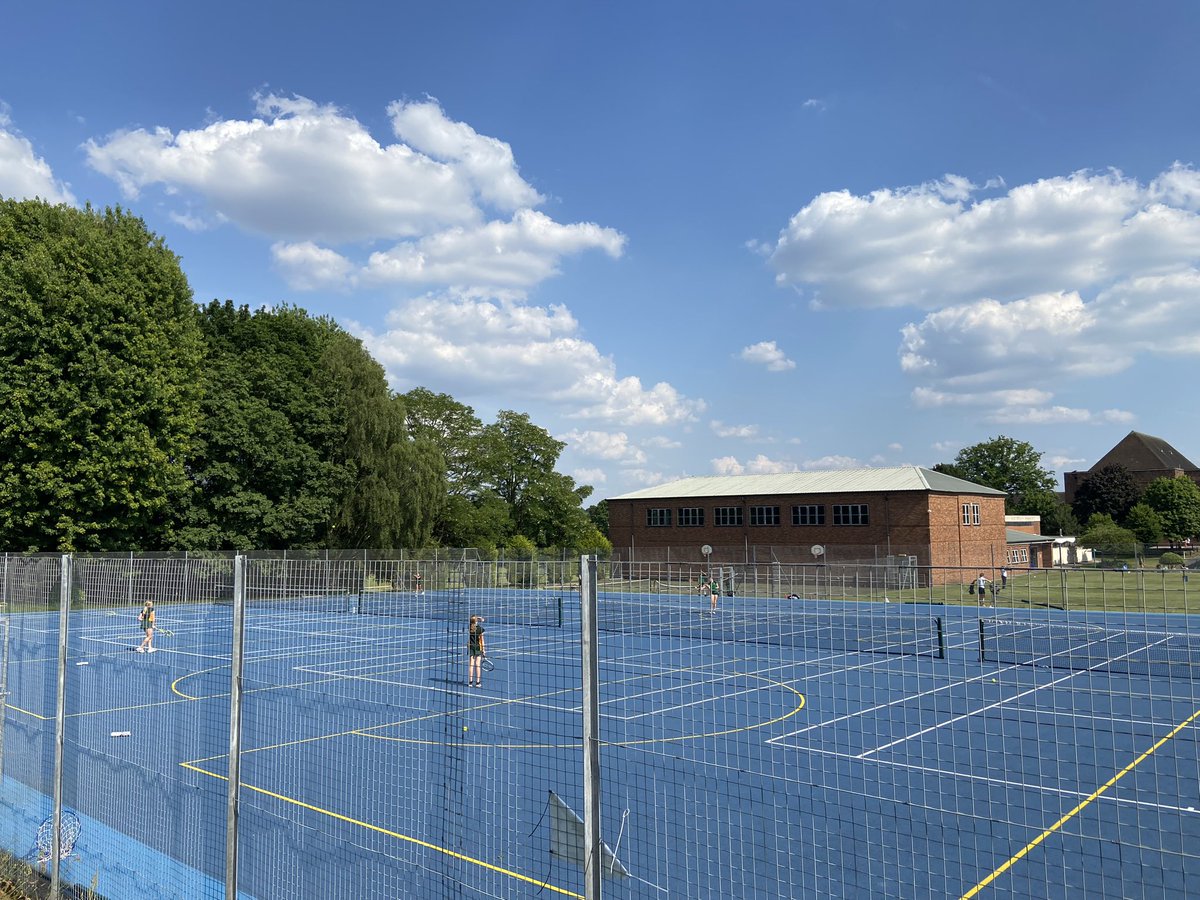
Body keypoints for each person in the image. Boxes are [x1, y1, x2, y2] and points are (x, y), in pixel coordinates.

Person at [468, 615, 486, 687]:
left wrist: (477, 618)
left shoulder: (470, 628)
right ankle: (478, 682)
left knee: (471, 665)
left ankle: (470, 682)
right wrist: (484, 650)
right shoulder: (480, 629)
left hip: (471, 647)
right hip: (478, 647)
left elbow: (472, 619)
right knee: (477, 665)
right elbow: (482, 640)